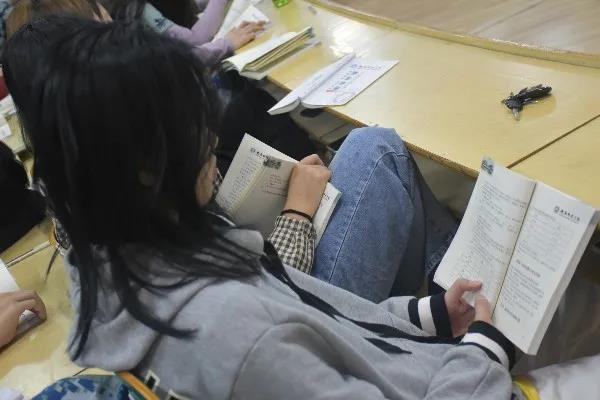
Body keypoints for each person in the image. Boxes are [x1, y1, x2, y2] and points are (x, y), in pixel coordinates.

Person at [3, 16, 519, 399]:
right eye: (193, 124)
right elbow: (291, 322)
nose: (210, 138)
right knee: (375, 149)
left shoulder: (114, 259)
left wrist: (427, 315)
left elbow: (325, 316)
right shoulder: (240, 335)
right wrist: (484, 354)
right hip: (464, 383)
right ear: (145, 164)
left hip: (412, 361)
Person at [103, 0, 265, 67]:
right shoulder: (135, 9)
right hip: (185, 82)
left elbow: (190, 5)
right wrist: (227, 43)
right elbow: (194, 42)